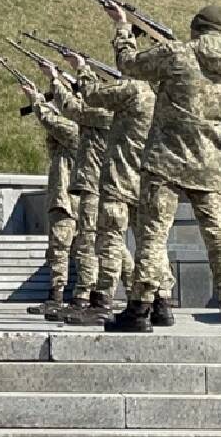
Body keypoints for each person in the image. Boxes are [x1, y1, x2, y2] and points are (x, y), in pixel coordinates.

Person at [104, 4, 221, 334]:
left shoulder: (176, 54)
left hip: (166, 159)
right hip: (208, 161)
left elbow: (128, 65)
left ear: (196, 27)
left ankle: (139, 310)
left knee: (153, 234)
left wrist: (124, 29)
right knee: (218, 236)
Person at [57, 53, 147, 326]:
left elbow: (75, 110)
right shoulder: (132, 108)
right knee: (117, 243)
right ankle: (138, 296)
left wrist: (56, 84)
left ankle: (94, 299)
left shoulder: (108, 111)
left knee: (100, 241)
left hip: (107, 183)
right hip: (116, 182)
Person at [46, 64, 112, 321]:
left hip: (87, 193)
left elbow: (61, 118)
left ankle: (82, 297)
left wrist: (48, 90)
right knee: (111, 245)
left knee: (87, 244)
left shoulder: (85, 123)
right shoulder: (91, 124)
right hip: (92, 190)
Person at [19, 81, 80, 319]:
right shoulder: (89, 128)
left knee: (59, 249)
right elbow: (53, 138)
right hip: (77, 199)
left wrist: (37, 100)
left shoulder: (76, 129)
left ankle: (57, 296)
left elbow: (52, 123)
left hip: (67, 199)